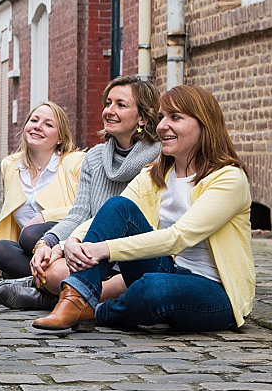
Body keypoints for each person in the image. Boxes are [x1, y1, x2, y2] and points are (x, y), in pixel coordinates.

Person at [33, 85, 254, 333]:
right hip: (169, 268)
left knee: (152, 288)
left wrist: (103, 249)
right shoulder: (155, 173)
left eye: (175, 117)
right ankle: (77, 297)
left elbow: (179, 237)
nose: (162, 126)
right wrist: (68, 243)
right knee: (118, 206)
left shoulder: (228, 179)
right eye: (161, 117)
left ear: (204, 124)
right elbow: (109, 214)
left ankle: (96, 310)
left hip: (215, 291)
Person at [0, 77, 162, 309]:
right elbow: (80, 214)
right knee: (50, 267)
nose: (109, 111)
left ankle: (55, 296)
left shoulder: (159, 157)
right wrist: (48, 243)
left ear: (143, 117)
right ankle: (67, 292)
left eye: (121, 105)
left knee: (133, 281)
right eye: (108, 103)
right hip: (90, 251)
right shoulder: (95, 157)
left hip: (133, 254)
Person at [0, 101, 83, 279]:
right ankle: (52, 279)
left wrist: (43, 217)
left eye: (48, 124)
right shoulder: (11, 165)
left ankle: (44, 279)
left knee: (30, 234)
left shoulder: (75, 162)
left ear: (60, 137)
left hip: (67, 242)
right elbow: (13, 223)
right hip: (32, 249)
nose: (38, 127)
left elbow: (86, 210)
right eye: (34, 120)